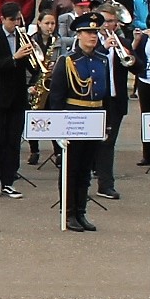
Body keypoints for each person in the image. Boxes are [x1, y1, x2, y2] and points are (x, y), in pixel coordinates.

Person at [50, 14, 114, 231]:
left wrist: (106, 123)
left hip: (94, 118)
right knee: (71, 169)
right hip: (73, 117)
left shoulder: (102, 60)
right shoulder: (67, 61)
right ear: (78, 34)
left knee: (86, 170)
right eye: (88, 32)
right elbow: (56, 97)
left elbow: (104, 96)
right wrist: (58, 129)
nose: (92, 37)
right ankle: (68, 213)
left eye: (95, 33)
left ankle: (81, 211)